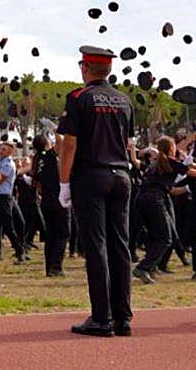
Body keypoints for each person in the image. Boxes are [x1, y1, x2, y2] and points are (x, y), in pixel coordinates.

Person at [57, 45, 135, 337]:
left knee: (97, 246)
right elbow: (128, 142)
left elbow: (70, 144)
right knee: (120, 246)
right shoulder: (124, 101)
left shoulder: (79, 97)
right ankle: (123, 317)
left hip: (91, 175)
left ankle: (102, 317)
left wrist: (64, 182)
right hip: (121, 174)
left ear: (85, 68)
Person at [132, 137, 195, 284]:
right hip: (154, 200)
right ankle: (143, 268)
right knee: (165, 238)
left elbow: (173, 187)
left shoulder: (156, 163)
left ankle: (150, 268)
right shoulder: (171, 162)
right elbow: (194, 172)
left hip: (141, 199)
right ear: (171, 148)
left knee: (154, 236)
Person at [32, 133, 67, 277]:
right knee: (62, 233)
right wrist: (57, 129)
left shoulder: (37, 159)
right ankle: (56, 267)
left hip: (45, 199)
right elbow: (61, 141)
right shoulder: (50, 155)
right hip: (57, 198)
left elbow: (37, 184)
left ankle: (49, 267)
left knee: (50, 234)